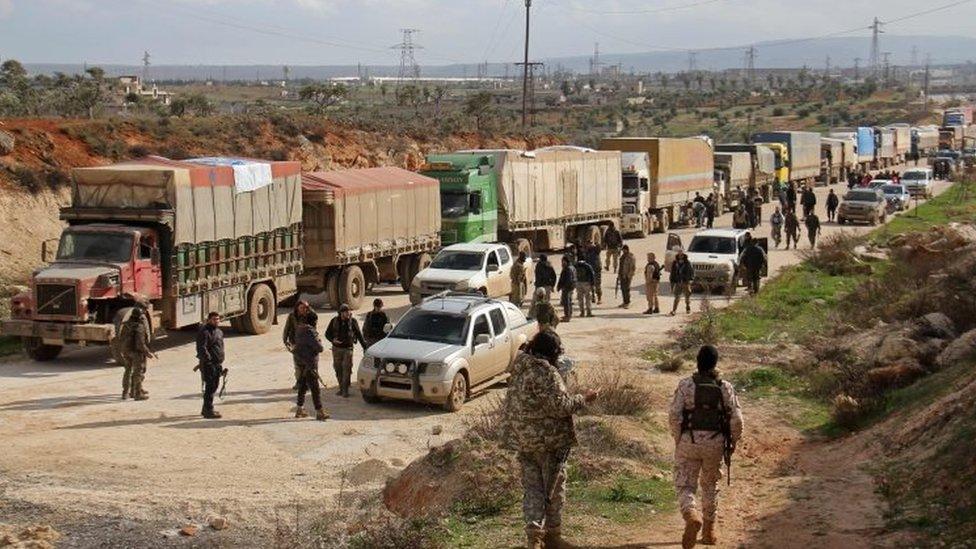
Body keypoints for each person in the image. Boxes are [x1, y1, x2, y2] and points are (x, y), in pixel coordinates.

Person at [502, 330, 598, 549]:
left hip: (524, 440)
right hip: (549, 441)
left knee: (533, 488)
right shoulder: (546, 373)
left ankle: (533, 535)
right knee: (553, 488)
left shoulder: (519, 368)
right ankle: (552, 536)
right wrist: (585, 398)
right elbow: (560, 407)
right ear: (551, 352)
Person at [669, 345, 743, 549]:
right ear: (715, 363)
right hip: (715, 443)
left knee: (685, 484)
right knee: (710, 485)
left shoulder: (685, 385)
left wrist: (678, 439)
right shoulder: (725, 387)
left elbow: (674, 416)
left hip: (688, 442)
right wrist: (732, 443)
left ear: (697, 361)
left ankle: (691, 514)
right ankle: (709, 531)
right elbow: (736, 420)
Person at [293, 312, 329, 421]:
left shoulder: (299, 329)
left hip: (301, 361)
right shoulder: (309, 331)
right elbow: (319, 348)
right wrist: (318, 342)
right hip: (310, 363)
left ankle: (299, 409)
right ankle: (319, 412)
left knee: (303, 386)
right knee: (315, 389)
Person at [325, 304, 365, 398]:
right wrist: (333, 340)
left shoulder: (352, 322)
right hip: (336, 349)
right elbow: (327, 334)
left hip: (348, 349)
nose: (347, 313)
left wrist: (365, 347)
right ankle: (341, 388)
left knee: (346, 369)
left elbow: (359, 335)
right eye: (345, 311)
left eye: (348, 311)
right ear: (341, 313)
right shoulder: (334, 321)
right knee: (338, 369)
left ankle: (345, 390)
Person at [119, 308, 155, 401]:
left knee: (127, 370)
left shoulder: (125, 325)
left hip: (125, 351)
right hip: (135, 352)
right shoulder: (139, 326)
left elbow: (120, 338)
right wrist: (147, 353)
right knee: (137, 373)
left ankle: (125, 393)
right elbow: (140, 344)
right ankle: (137, 394)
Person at [196, 312, 226, 419]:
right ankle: (208, 410)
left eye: (218, 319)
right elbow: (202, 348)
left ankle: (206, 408)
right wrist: (208, 362)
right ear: (209, 320)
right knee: (210, 387)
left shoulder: (219, 332)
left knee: (214, 386)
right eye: (214, 319)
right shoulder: (204, 332)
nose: (216, 321)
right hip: (209, 365)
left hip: (217, 364)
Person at [283, 300, 311, 390]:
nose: (304, 310)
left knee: (308, 365)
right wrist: (285, 341)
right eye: (302, 308)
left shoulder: (310, 316)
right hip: (296, 344)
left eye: (306, 308)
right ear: (297, 308)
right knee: (298, 366)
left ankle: (308, 383)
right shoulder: (292, 316)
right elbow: (287, 329)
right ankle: (299, 383)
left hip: (307, 344)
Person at [669, 252, 695, 316]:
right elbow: (672, 273)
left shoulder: (688, 263)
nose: (680, 256)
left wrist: (691, 280)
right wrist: (672, 282)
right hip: (678, 282)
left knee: (687, 296)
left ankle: (688, 307)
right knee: (677, 297)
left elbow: (692, 272)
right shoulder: (675, 263)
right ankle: (674, 310)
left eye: (682, 255)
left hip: (685, 282)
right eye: (679, 255)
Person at [556, 255, 576, 322]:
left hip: (567, 288)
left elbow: (568, 279)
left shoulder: (568, 269)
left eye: (563, 261)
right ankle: (568, 315)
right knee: (568, 301)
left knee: (566, 302)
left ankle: (567, 316)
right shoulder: (571, 267)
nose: (562, 263)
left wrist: (563, 287)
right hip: (570, 287)